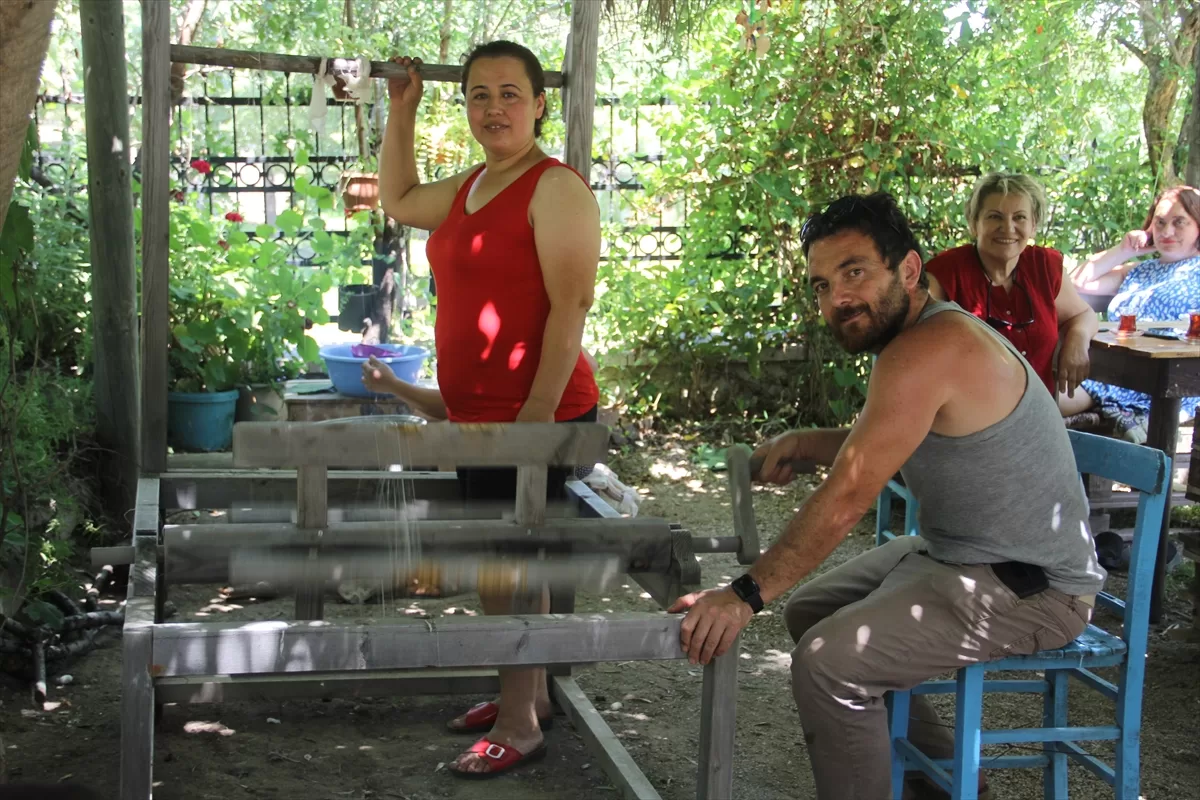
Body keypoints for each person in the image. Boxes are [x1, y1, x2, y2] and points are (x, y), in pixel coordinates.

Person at [669, 193, 1102, 800]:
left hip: (1034, 586)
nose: (838, 299)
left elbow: (848, 495)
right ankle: (940, 778)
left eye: (855, 272)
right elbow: (890, 438)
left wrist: (743, 595)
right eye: (823, 285)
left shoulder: (928, 348)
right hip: (965, 555)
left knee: (827, 665)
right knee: (808, 611)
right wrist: (807, 442)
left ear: (908, 270)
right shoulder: (927, 336)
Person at [377, 40, 601, 777]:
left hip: (537, 416)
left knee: (511, 568)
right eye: (479, 94)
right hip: (481, 418)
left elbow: (571, 306)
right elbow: (399, 199)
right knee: (505, 566)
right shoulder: (472, 184)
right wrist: (402, 110)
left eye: (510, 94)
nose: (494, 107)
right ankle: (527, 697)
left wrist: (533, 420)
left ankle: (518, 724)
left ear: (539, 105)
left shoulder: (553, 187)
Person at [925, 172, 1098, 398]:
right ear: (974, 224)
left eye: (1019, 217)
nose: (1008, 227)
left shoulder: (1044, 267)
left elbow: (1084, 314)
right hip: (970, 414)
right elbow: (917, 342)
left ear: (1033, 226)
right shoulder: (945, 272)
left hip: (1038, 411)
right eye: (994, 217)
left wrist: (1078, 340)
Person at [1064, 184, 1200, 442]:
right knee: (1033, 389)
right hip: (1108, 369)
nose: (1167, 231)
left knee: (1036, 397)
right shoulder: (1138, 271)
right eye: (1159, 222)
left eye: (1179, 222)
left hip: (1166, 382)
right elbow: (1076, 283)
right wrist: (1125, 249)